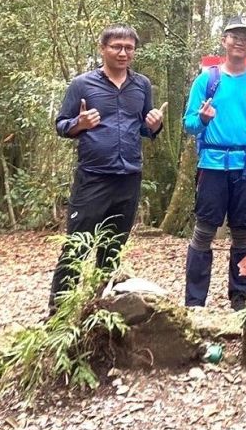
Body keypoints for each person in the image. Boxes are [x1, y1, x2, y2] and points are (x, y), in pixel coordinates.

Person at [49, 24, 165, 313]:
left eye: (129, 47)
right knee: (76, 247)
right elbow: (62, 125)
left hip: (128, 177)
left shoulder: (142, 85)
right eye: (117, 46)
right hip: (93, 177)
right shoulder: (82, 84)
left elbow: (142, 127)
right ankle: (58, 314)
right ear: (103, 49)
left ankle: (101, 311)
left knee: (112, 249)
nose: (123, 52)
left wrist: (154, 126)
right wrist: (80, 123)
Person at [182, 15, 246, 310]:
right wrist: (202, 119)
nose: (240, 41)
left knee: (243, 232)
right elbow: (188, 124)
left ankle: (240, 298)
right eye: (235, 36)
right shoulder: (207, 79)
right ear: (224, 40)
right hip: (213, 163)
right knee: (204, 231)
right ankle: (194, 302)